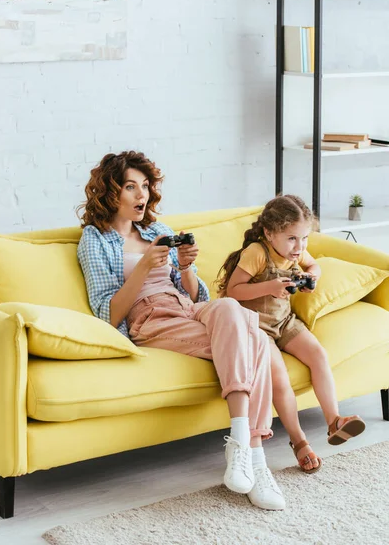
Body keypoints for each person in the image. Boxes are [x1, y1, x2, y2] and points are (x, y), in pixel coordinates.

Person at [76, 150, 285, 511]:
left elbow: (194, 294)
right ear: (110, 192)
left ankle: (240, 441)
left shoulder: (158, 230)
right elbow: (107, 315)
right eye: (130, 187)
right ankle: (256, 457)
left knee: (230, 308)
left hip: (187, 307)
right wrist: (142, 267)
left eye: (145, 186)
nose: (141, 195)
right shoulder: (94, 240)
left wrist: (187, 267)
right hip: (150, 318)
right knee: (258, 341)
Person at [216, 194, 366, 473]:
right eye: (292, 239)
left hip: (284, 322)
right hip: (256, 328)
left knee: (319, 355)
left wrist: (312, 278)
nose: (299, 247)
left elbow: (314, 265)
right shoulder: (257, 253)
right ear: (269, 233)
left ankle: (334, 421)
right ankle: (299, 442)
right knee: (280, 378)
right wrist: (269, 287)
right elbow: (233, 292)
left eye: (305, 238)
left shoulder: (296, 253)